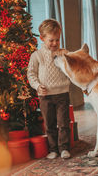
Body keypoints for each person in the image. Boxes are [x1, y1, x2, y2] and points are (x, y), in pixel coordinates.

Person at [27, 19, 71, 159]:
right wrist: (37, 86)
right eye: (51, 40)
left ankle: (64, 148)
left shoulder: (64, 53)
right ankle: (53, 149)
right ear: (42, 38)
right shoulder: (36, 56)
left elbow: (71, 69)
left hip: (62, 93)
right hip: (45, 95)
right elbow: (31, 74)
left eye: (57, 40)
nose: (54, 44)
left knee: (63, 122)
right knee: (50, 123)